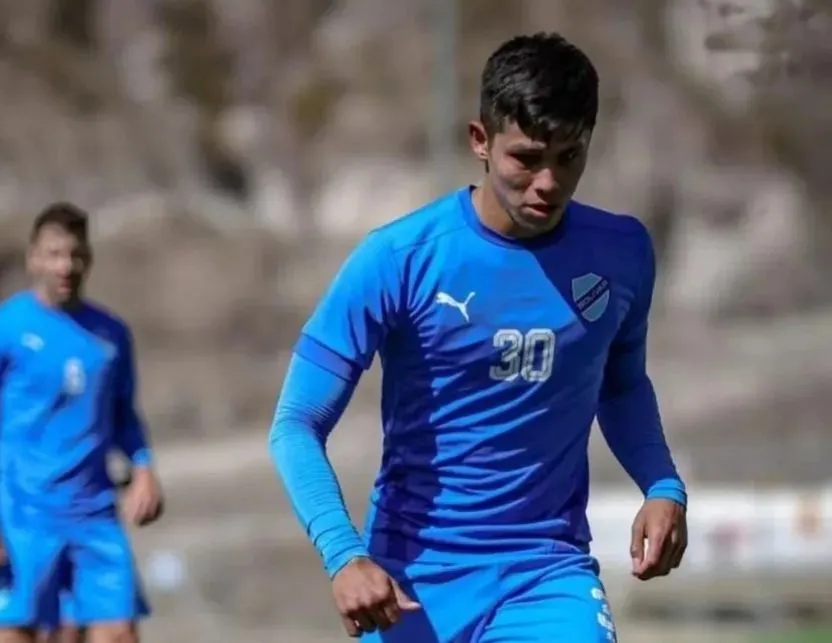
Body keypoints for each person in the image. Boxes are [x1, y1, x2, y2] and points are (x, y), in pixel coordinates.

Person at [268, 32, 688, 643]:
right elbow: (297, 423)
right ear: (480, 142)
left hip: (545, 573)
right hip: (412, 583)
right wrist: (344, 555)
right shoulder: (398, 259)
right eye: (527, 157)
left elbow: (621, 386)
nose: (547, 182)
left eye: (569, 157)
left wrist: (662, 483)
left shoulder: (622, 254)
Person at [0, 202, 162, 643]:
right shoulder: (0, 330)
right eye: (54, 253)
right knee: (18, 638)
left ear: (89, 258)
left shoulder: (111, 335)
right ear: (33, 257)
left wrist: (143, 468)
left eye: (76, 254)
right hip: (22, 518)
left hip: (95, 515)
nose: (66, 265)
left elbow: (123, 414)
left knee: (120, 634)